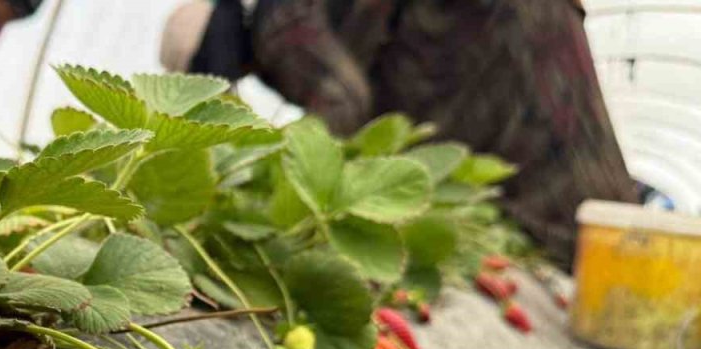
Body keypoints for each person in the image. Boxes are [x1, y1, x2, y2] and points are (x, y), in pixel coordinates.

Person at [161, 0, 639, 270]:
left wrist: (274, 187)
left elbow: (343, 105)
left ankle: (604, 258)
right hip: (522, 32)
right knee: (580, 175)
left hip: (500, 48)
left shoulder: (280, 21)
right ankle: (622, 254)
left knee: (549, 176)